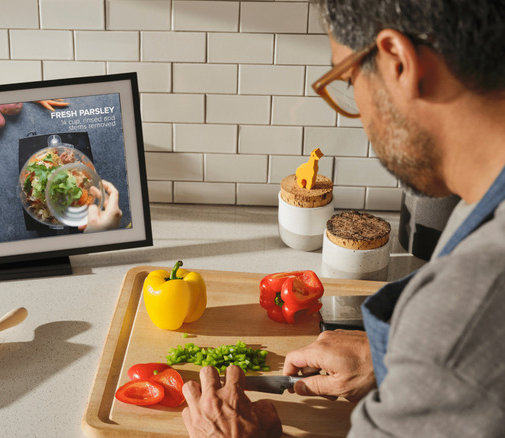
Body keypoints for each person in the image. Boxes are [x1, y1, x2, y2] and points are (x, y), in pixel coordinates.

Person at [181, 0, 505, 436]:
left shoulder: (464, 311)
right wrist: (394, 357)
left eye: (348, 78)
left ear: (398, 61)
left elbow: (464, 340)